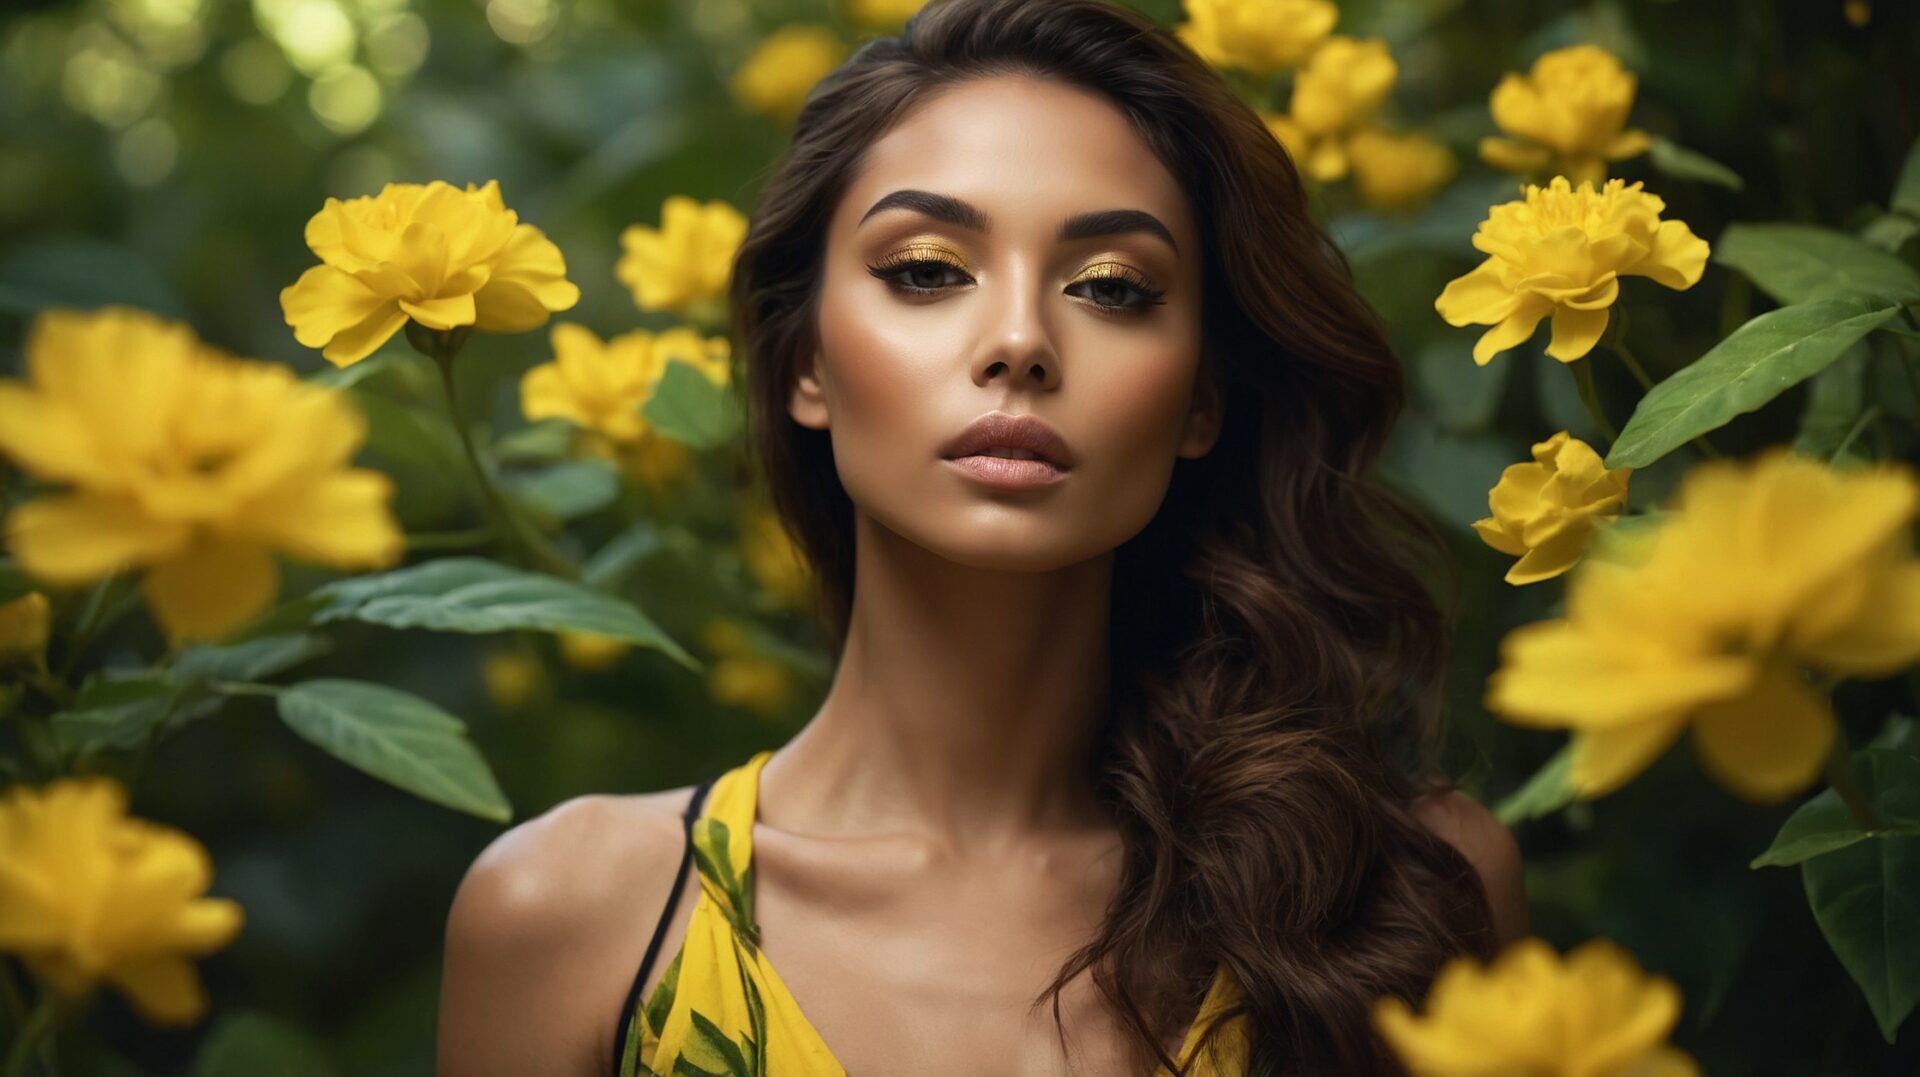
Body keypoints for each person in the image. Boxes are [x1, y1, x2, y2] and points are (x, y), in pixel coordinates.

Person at [436, 0, 1529, 1073]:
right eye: (925, 271)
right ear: (806, 361)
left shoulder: (1404, 890)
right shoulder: (575, 919)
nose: (1019, 341)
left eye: (1111, 288)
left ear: (1202, 399)